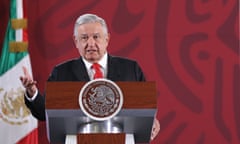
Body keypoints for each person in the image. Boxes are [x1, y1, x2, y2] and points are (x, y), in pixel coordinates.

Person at [20, 13, 159, 140]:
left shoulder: (130, 69)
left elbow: (144, 107)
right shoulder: (61, 72)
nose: (90, 43)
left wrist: (152, 121)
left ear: (107, 39)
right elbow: (44, 113)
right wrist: (32, 92)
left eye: (96, 37)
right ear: (76, 41)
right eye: (84, 38)